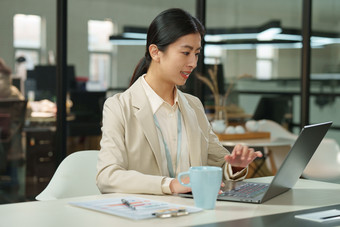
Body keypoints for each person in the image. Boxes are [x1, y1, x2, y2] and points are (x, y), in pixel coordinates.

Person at [96, 8, 262, 195]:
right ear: (155, 52)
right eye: (185, 53)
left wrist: (235, 166)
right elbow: (107, 177)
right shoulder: (118, 107)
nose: (193, 63)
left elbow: (219, 163)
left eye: (197, 53)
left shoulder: (194, 106)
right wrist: (171, 185)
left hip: (194, 214)